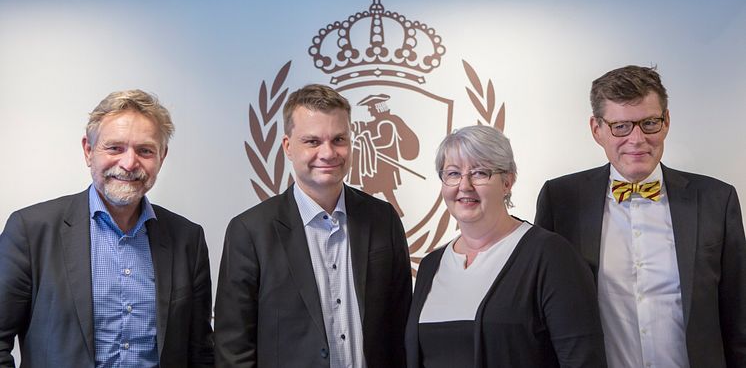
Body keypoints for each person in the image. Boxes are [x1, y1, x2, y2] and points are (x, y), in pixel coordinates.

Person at [535, 65, 746, 368]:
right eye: (620, 126)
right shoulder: (560, 200)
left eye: (649, 123)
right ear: (597, 129)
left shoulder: (717, 199)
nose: (636, 139)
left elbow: (739, 318)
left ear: (666, 121)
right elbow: (544, 319)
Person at [0, 90, 214, 367]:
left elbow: (201, 353)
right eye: (115, 148)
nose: (128, 163)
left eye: (145, 150)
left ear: (162, 156)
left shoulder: (188, 239)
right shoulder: (31, 231)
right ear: (88, 151)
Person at [215, 84, 412, 367]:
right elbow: (233, 348)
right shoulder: (250, 231)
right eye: (312, 142)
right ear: (288, 147)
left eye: (339, 139)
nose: (328, 153)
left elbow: (400, 326)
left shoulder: (383, 220)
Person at [406, 125, 606, 368]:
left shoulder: (550, 256)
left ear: (507, 182)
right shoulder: (430, 265)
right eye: (453, 173)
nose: (465, 185)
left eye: (480, 173)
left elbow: (582, 360)